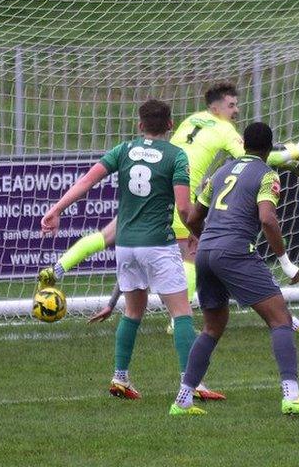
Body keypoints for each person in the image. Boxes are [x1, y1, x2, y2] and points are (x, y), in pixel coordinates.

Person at [41, 83, 299, 334]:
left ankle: (57, 269)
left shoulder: (191, 120)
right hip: (177, 195)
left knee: (108, 237)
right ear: (215, 107)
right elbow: (258, 156)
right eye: (231, 105)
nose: (236, 110)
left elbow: (90, 179)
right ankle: (179, 319)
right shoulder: (223, 129)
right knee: (196, 258)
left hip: (149, 193)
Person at [41, 99, 223, 401]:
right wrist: (196, 233)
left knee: (133, 311)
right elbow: (182, 206)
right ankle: (191, 385)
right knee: (181, 313)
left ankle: (120, 377)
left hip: (125, 245)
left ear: (140, 126)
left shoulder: (123, 150)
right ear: (170, 125)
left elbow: (87, 180)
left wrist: (56, 209)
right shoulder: (176, 156)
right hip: (159, 245)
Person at [169, 122, 299, 416]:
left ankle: (182, 400)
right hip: (234, 251)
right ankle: (291, 396)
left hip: (206, 252)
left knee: (212, 327)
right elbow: (268, 219)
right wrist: (286, 262)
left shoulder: (221, 171)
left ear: (243, 144)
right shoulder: (266, 174)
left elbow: (193, 217)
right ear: (270, 148)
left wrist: (208, 237)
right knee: (280, 319)